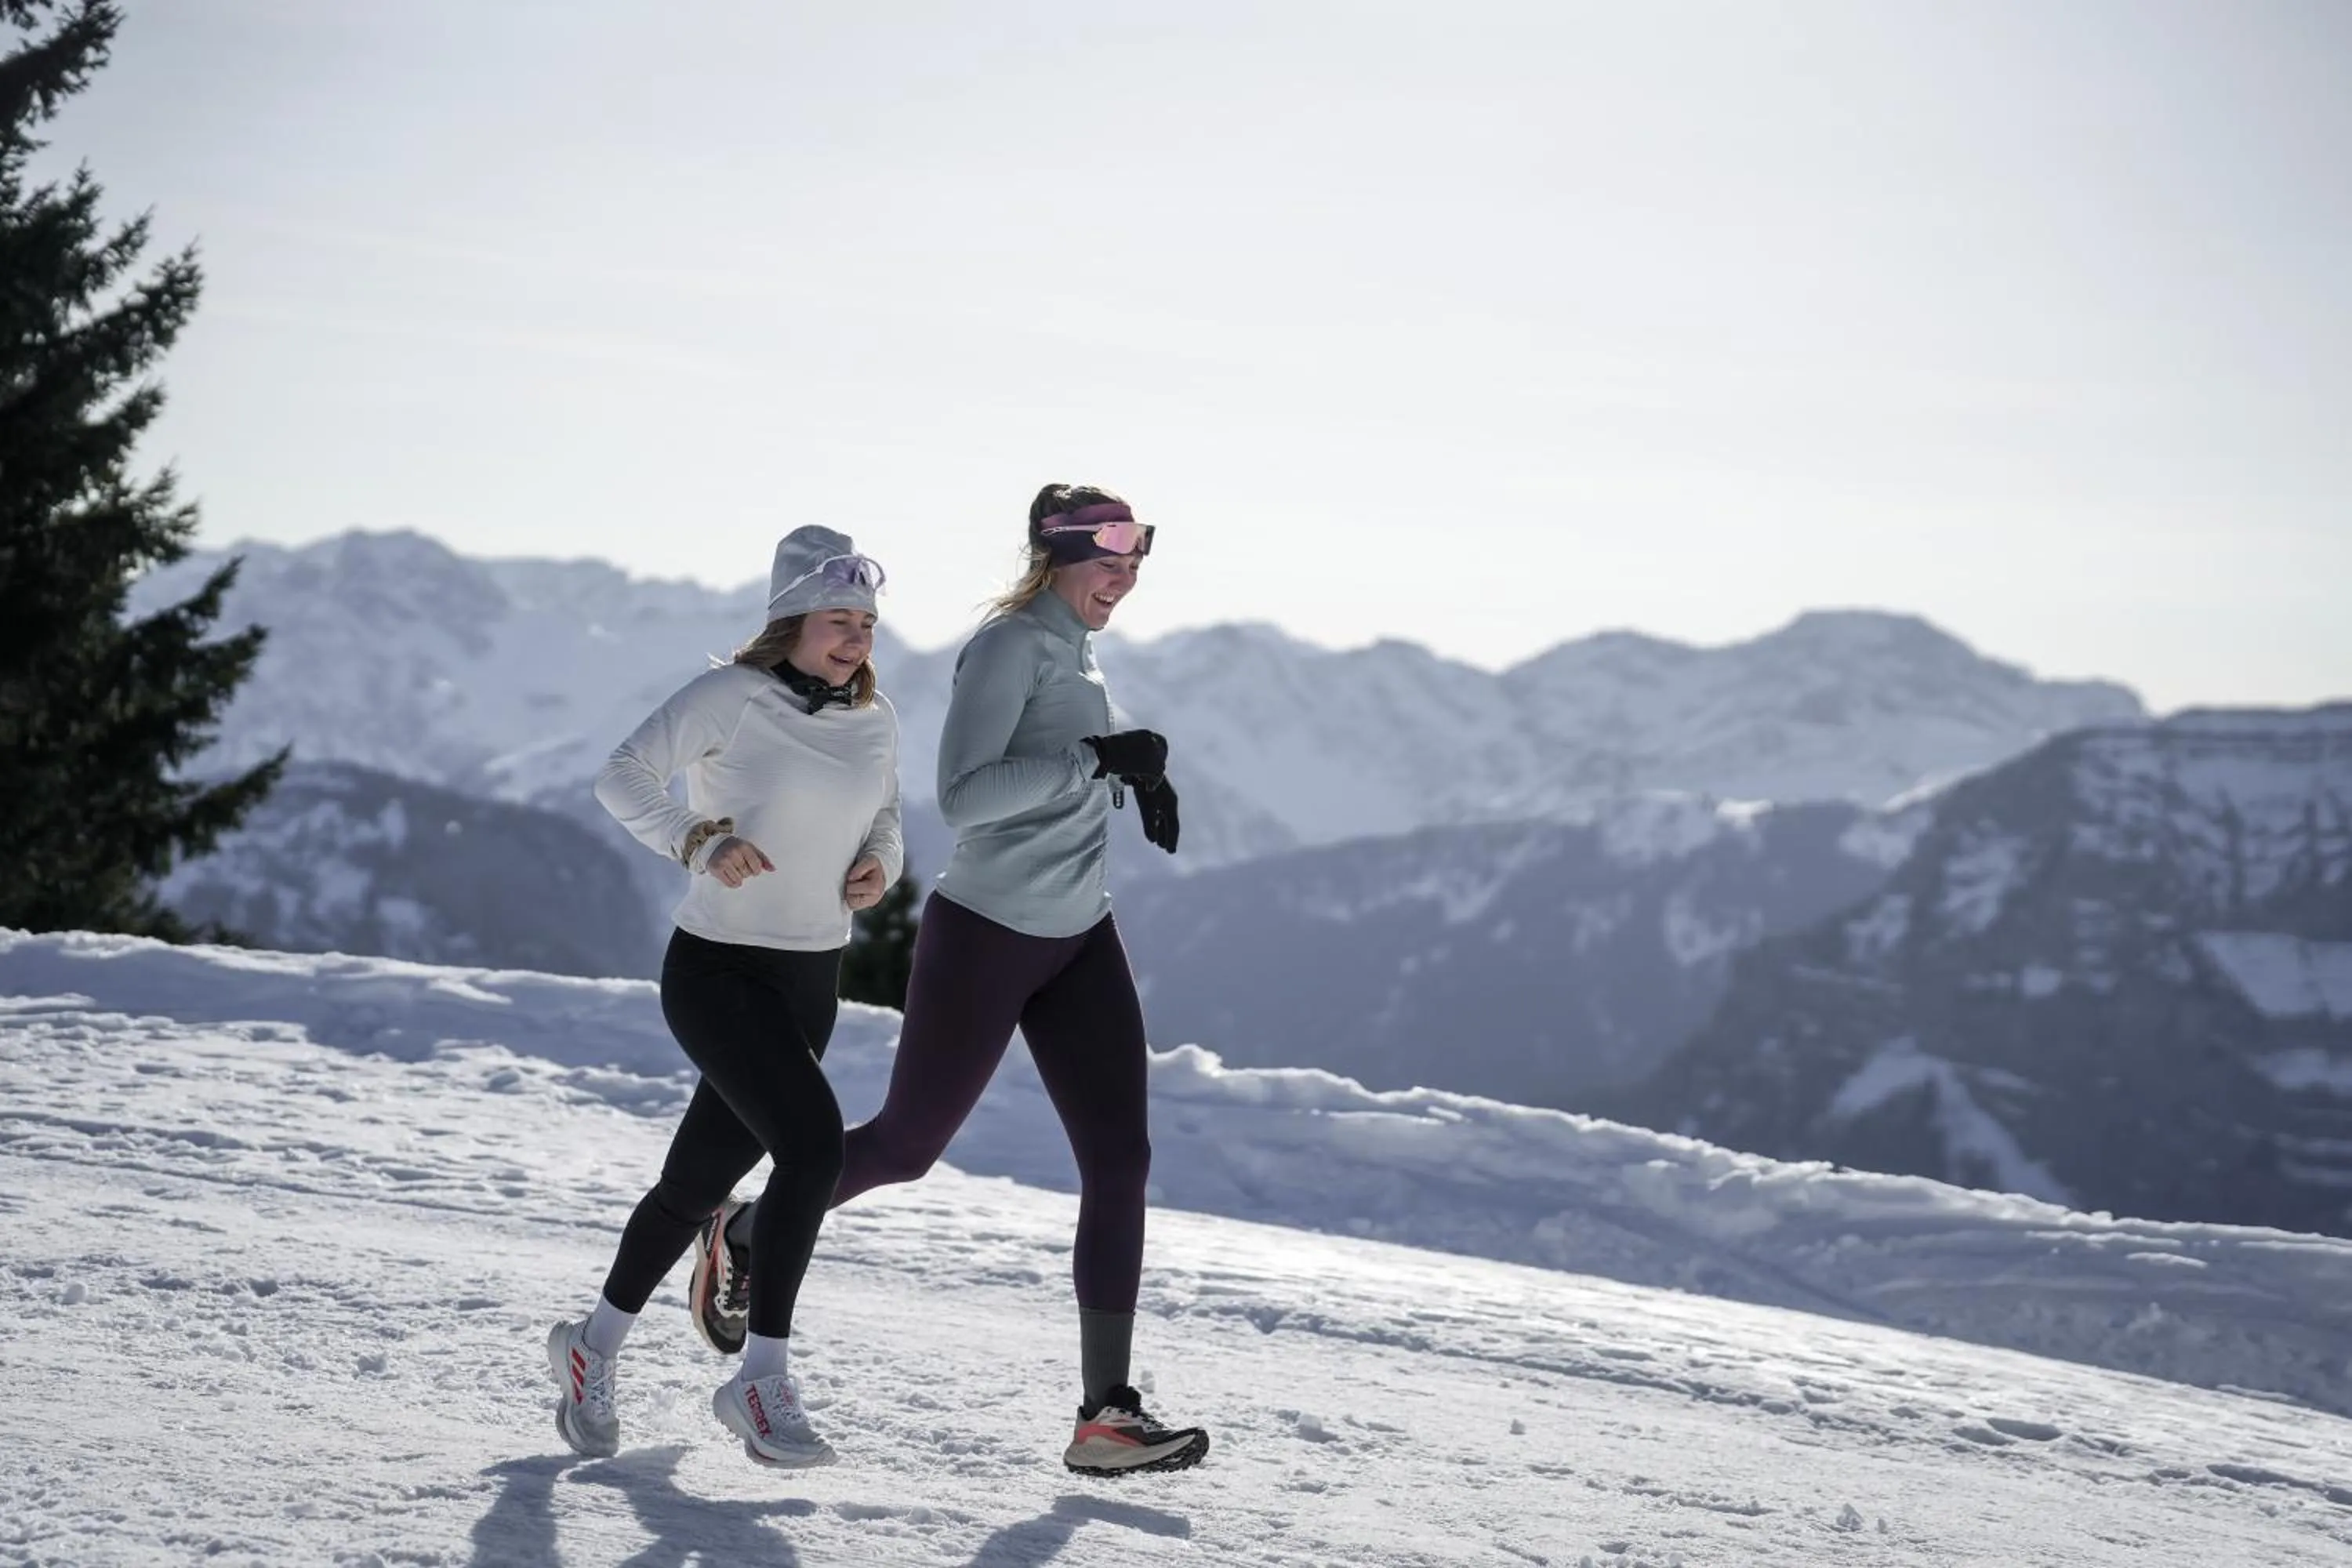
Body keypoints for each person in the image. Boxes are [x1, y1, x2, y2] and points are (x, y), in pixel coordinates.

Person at [688, 483, 1205, 1475]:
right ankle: (745, 1230)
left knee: (1121, 1159)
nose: (1126, 575)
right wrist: (1099, 755)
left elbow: (1058, 757)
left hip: (1080, 930)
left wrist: (1133, 772)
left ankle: (1106, 1413)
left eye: (1139, 556)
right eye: (1110, 557)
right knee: (908, 1144)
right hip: (988, 932)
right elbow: (965, 797)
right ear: (1055, 555)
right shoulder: (1010, 643)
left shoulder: (1078, 645)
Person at [545, 524, 902, 1469]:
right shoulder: (731, 697)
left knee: (695, 1185)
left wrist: (880, 863)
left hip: (808, 980)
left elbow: (889, 812)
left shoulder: (876, 716)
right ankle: (759, 1375)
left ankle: (592, 1344)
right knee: (815, 1144)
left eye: (867, 619)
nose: (858, 636)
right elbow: (618, 774)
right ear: (789, 616)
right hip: (717, 971)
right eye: (839, 618)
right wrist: (697, 838)